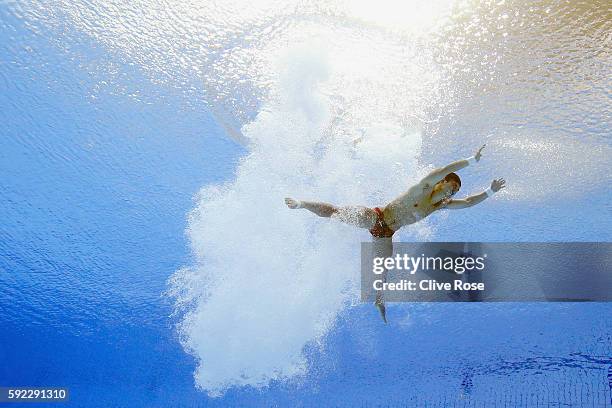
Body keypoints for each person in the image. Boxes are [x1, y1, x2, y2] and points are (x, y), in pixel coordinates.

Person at [284, 144, 506, 322]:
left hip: (386, 233)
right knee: (335, 212)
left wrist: (490, 191)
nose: (453, 192)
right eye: (451, 187)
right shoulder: (424, 187)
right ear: (442, 183)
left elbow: (467, 203)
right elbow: (444, 169)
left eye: (455, 191)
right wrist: (471, 160)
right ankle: (301, 203)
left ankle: (379, 301)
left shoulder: (440, 205)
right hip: (376, 217)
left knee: (382, 270)